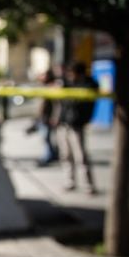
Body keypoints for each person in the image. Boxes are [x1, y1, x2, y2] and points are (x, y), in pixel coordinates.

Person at [57, 61, 98, 194]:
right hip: (64, 124)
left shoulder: (88, 85)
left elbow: (86, 102)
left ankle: (88, 185)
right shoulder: (66, 84)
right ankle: (69, 182)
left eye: (72, 73)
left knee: (81, 156)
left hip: (77, 125)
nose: (70, 76)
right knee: (65, 155)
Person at [25, 69, 61, 166]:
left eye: (43, 75)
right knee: (45, 138)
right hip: (42, 118)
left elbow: (56, 105)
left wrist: (55, 117)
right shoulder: (42, 87)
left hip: (47, 118)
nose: (41, 77)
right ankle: (51, 155)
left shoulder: (52, 87)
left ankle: (49, 156)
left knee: (46, 138)